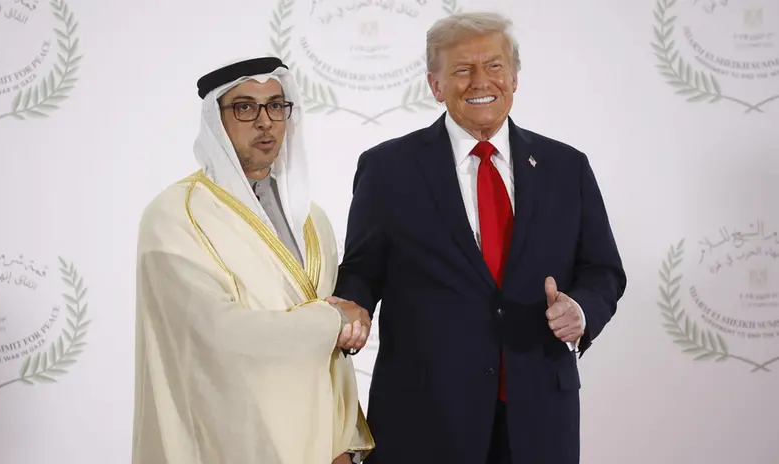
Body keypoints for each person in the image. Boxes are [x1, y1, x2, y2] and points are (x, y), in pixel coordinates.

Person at [333, 12, 627, 464]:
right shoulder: (388, 169)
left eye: (494, 66)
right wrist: (352, 309)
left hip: (539, 414)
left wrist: (581, 309)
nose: (480, 81)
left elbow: (603, 269)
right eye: (462, 70)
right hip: (425, 417)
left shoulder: (567, 167)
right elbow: (361, 272)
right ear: (435, 84)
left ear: (513, 77)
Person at [131, 56, 374, 464]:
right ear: (215, 120)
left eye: (276, 105)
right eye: (245, 107)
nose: (265, 121)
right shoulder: (176, 214)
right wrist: (333, 321)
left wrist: (344, 443)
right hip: (224, 444)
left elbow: (331, 361)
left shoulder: (310, 218)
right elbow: (218, 335)